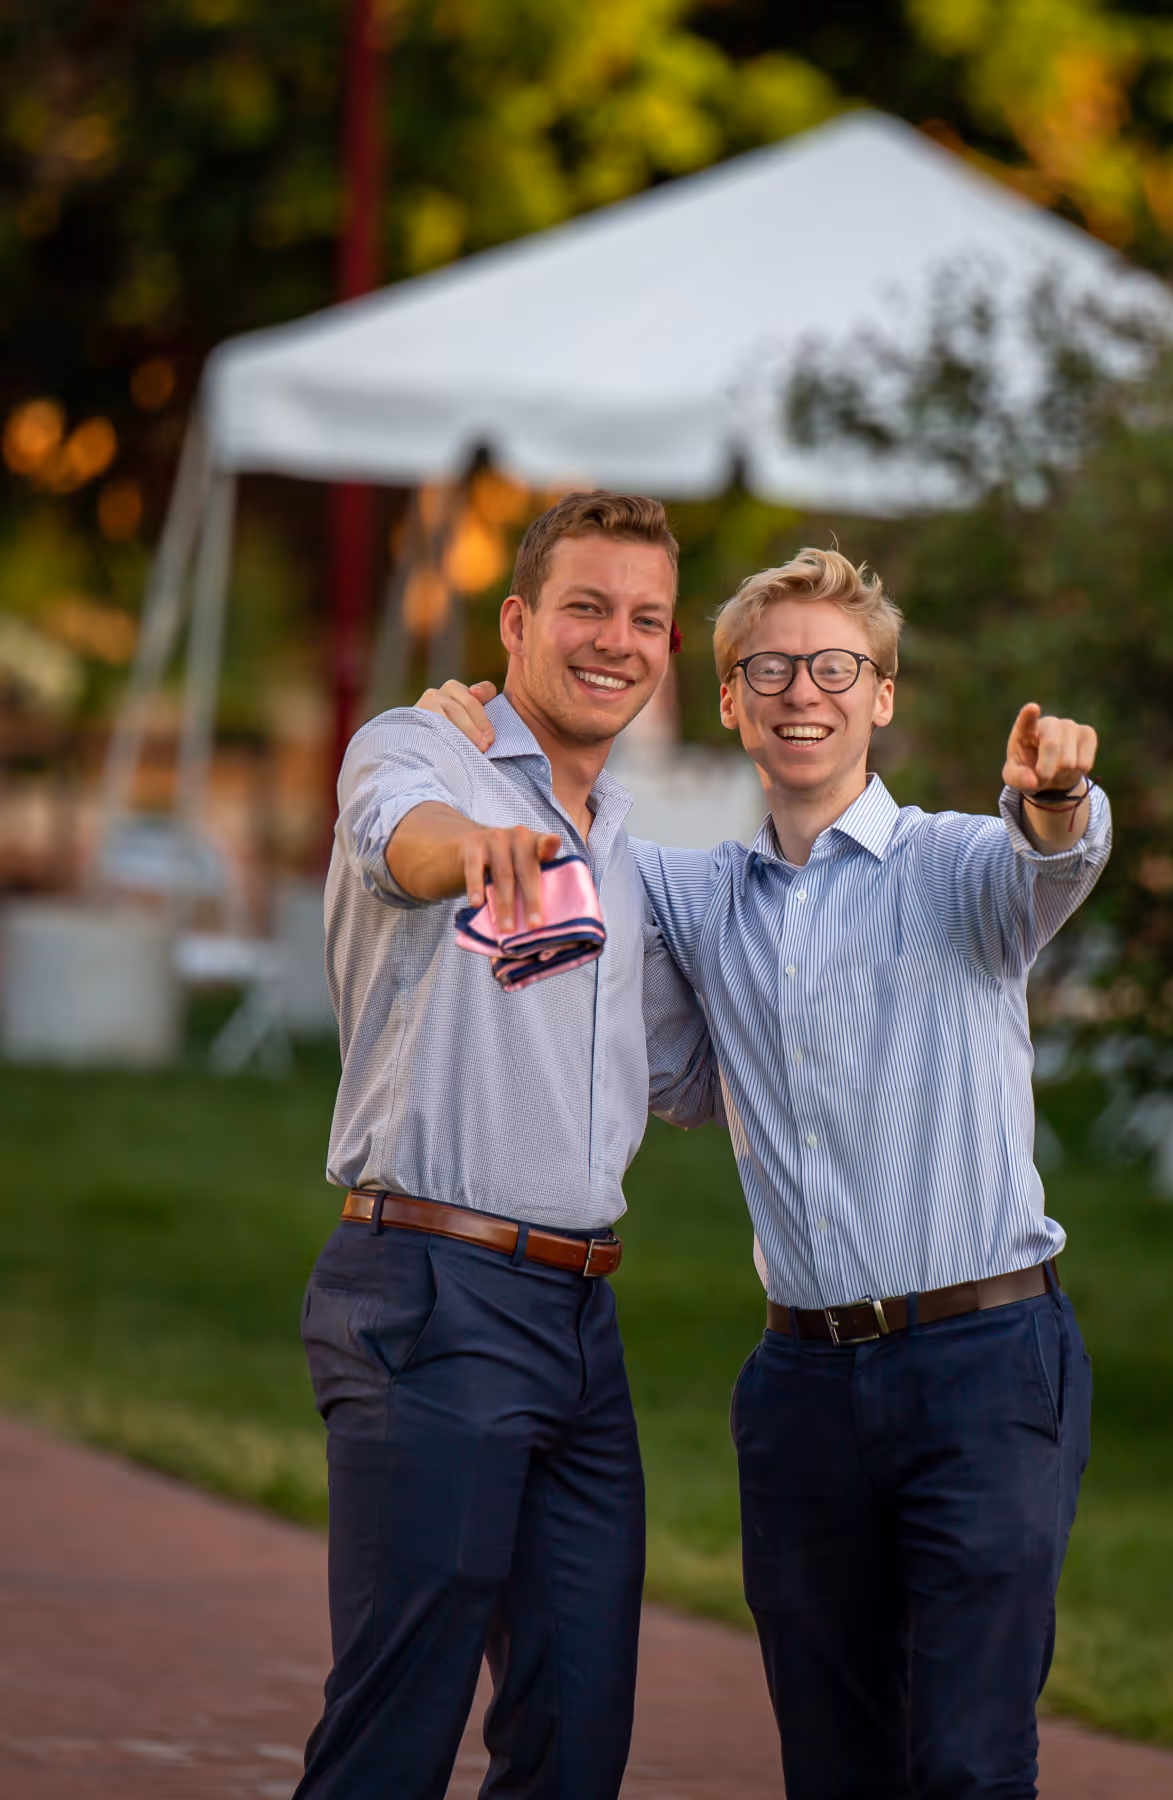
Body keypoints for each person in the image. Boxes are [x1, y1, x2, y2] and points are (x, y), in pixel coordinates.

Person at [423, 545, 1110, 1800]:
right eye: (771, 669)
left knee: (967, 1762)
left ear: (882, 697)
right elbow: (567, 853)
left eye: (836, 668)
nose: (805, 692)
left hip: (984, 1367)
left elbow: (1048, 859)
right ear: (732, 702)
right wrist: (468, 735)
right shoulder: (691, 899)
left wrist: (1058, 793)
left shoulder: (958, 868)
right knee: (834, 1768)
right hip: (801, 1393)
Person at [297, 491, 718, 1800]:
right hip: (433, 1294)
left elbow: (686, 1078)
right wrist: (475, 847)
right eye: (586, 607)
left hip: (582, 1325)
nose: (616, 641)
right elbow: (398, 836)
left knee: (576, 1739)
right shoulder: (425, 747)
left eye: (644, 618)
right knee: (395, 1732)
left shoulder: (628, 851)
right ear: (519, 621)